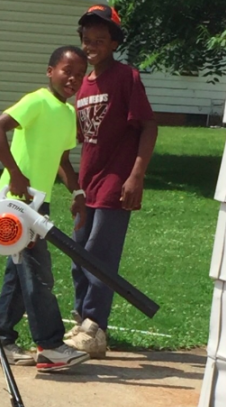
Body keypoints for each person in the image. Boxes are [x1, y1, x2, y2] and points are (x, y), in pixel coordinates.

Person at [0, 45, 91, 372]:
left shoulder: (68, 114)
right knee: (38, 274)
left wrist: (78, 190)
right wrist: (16, 174)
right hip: (18, 204)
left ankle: (0, 340)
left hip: (39, 203)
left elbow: (61, 159)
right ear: (50, 71)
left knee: (21, 273)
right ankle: (52, 346)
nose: (72, 78)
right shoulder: (36, 101)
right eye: (66, 71)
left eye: (79, 74)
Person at [63, 4, 158, 358]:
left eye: (100, 38)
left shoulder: (125, 77)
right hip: (87, 185)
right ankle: (81, 320)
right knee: (78, 254)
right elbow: (74, 139)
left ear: (114, 42)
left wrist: (136, 175)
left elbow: (148, 125)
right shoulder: (83, 86)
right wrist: (74, 183)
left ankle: (95, 328)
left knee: (100, 255)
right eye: (87, 38)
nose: (92, 44)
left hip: (116, 181)